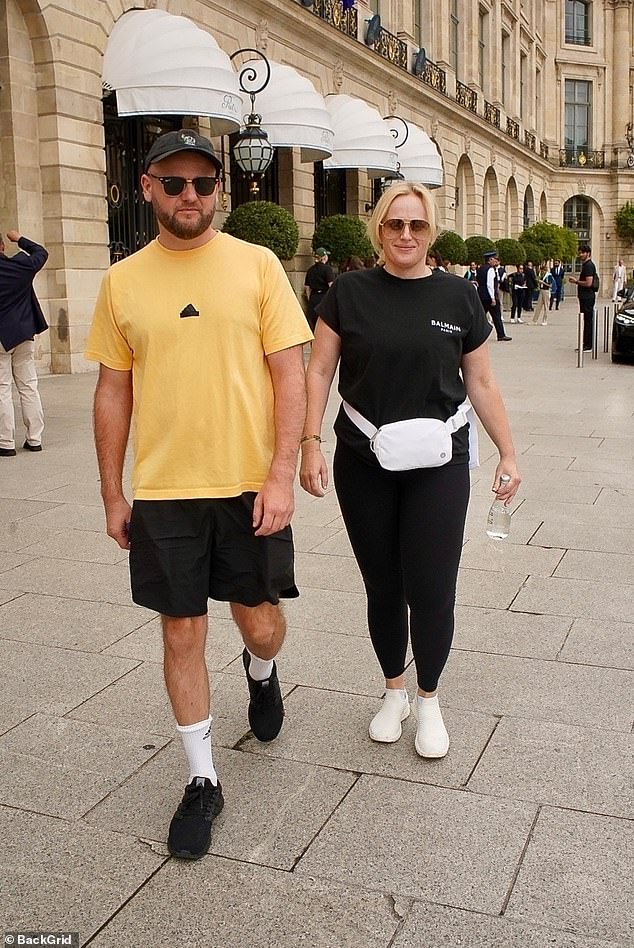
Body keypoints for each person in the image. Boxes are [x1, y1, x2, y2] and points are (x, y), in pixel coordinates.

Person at [85, 129, 312, 860]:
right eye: (174, 183)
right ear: (146, 187)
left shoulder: (258, 263)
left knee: (260, 624)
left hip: (248, 484)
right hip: (164, 490)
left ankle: (263, 671)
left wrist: (281, 474)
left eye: (203, 184)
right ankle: (202, 777)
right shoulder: (122, 281)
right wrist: (111, 493)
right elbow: (112, 389)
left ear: (221, 190)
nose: (191, 196)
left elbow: (290, 372)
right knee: (181, 631)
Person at [299, 182, 520, 760]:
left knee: (433, 588)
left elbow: (482, 381)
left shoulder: (459, 297)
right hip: (363, 461)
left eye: (416, 226)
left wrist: (509, 452)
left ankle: (429, 699)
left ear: (431, 232)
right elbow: (318, 372)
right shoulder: (347, 293)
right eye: (395, 224)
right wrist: (309, 442)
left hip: (439, 467)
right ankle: (393, 690)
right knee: (383, 585)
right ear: (379, 230)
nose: (405, 235)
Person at [0, 230, 48, 457]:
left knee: (2, 388)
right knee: (28, 386)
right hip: (24, 333)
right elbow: (41, 252)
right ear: (2, 247)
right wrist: (19, 239)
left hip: (1, 339)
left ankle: (6, 442)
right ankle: (35, 438)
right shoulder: (21, 267)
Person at [476, 249, 512, 341]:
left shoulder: (480, 269)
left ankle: (475, 335)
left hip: (481, 295)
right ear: (490, 259)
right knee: (496, 316)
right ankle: (501, 335)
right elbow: (490, 284)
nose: (495, 261)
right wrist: (492, 298)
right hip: (489, 296)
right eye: (494, 259)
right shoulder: (490, 269)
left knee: (480, 316)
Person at [569, 244, 597, 351]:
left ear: (588, 253)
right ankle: (586, 343)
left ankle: (588, 344)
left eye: (582, 253)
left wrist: (576, 281)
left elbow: (589, 283)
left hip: (587, 296)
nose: (580, 255)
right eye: (579, 252)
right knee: (586, 319)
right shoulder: (586, 265)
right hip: (585, 296)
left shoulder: (589, 266)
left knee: (587, 320)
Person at [304, 248, 335, 330]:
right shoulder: (327, 269)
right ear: (324, 257)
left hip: (313, 298)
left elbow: (307, 287)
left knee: (314, 325)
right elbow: (331, 285)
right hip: (324, 297)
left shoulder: (310, 270)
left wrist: (309, 299)